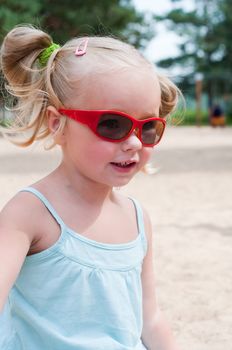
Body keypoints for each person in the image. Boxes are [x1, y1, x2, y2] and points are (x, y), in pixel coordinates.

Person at [0, 25, 181, 350]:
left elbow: (149, 319)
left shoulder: (137, 218)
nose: (134, 142)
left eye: (148, 127)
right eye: (112, 124)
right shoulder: (29, 213)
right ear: (58, 124)